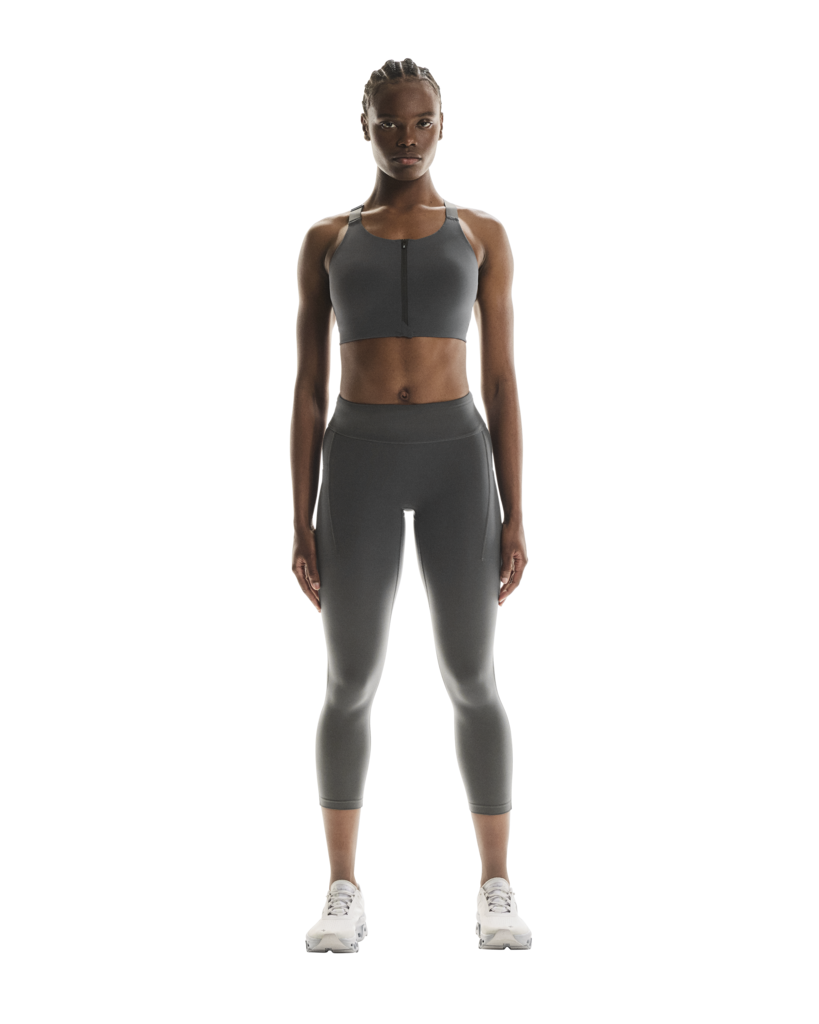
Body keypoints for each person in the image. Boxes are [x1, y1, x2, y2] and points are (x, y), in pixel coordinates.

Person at [291, 58, 532, 953]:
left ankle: (496, 886)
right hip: (356, 460)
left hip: (454, 461)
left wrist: (514, 513)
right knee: (349, 681)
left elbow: (500, 380)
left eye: (421, 121)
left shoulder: (481, 233)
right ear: (363, 127)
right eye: (388, 123)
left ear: (442, 124)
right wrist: (298, 518)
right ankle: (341, 888)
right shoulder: (326, 238)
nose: (406, 138)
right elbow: (306, 390)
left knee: (472, 676)